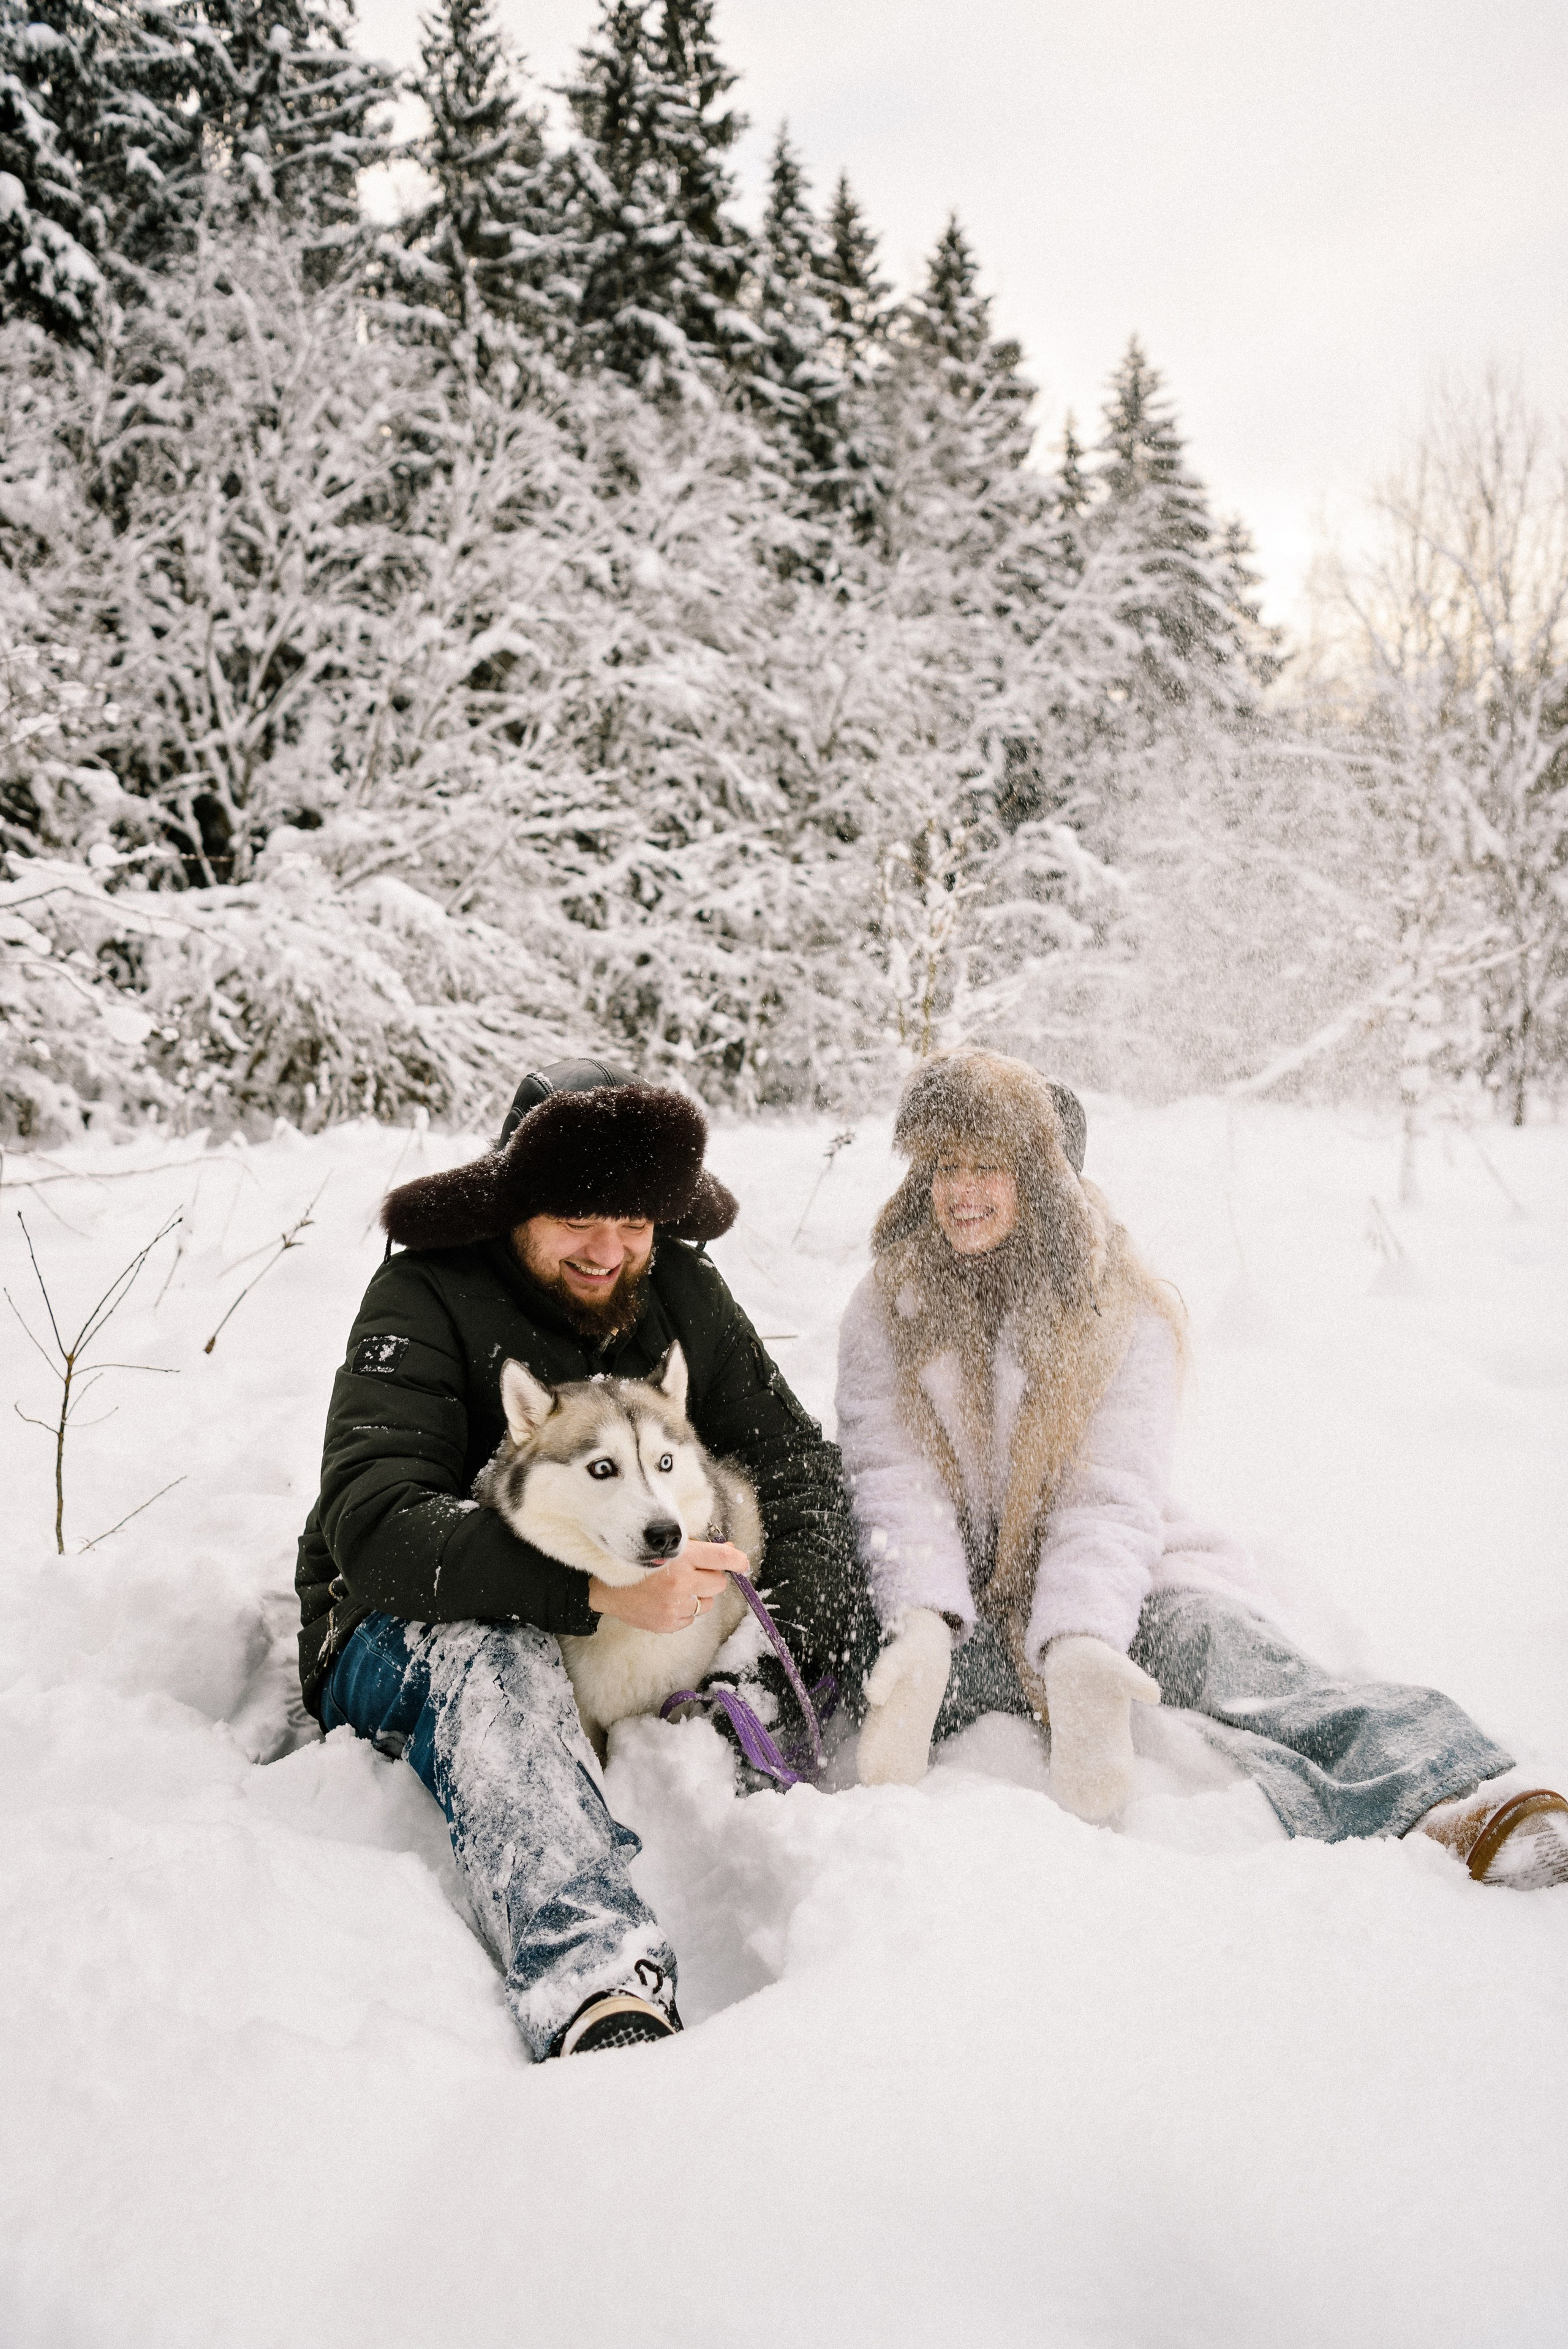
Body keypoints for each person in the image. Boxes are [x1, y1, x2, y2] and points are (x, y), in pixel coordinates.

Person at [835, 1047, 1567, 1889]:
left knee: (1236, 1667)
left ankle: (1454, 1790)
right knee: (868, 1680)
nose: (963, 1192)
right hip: (958, 1595)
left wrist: (1079, 1642)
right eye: (946, 1166)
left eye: (988, 1168)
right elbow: (892, 1477)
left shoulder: (1118, 1309)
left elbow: (1108, 1497)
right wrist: (923, 1625)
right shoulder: (888, 1302)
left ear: (1036, 1177)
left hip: (1123, 1579)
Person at [295, 1060, 875, 2059]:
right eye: (577, 1219)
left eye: (637, 1224)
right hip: (398, 1622)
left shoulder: (681, 1287)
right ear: (516, 1206)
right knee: (497, 1656)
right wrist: (594, 1591)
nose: (609, 1251)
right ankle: (595, 1978)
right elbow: (375, 1521)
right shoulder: (424, 1292)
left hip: (620, 1620)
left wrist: (783, 1652)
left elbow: (794, 1466)